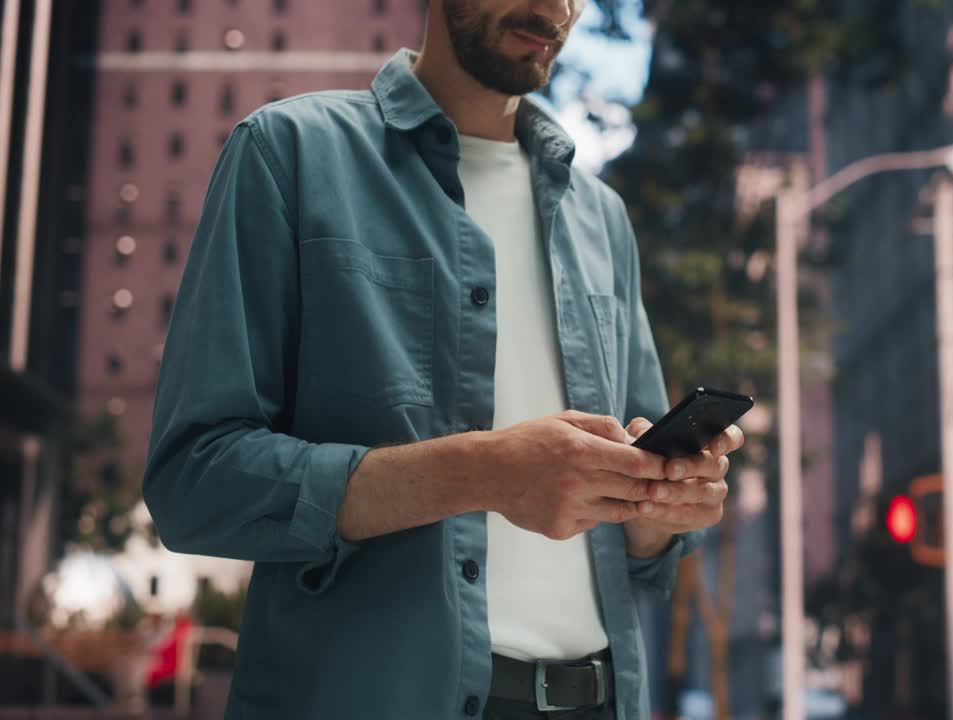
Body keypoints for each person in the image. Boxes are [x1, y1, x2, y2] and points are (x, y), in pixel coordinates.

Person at [142, 1, 745, 718]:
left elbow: (642, 546)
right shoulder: (288, 154)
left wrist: (661, 505)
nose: (555, 7)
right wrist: (482, 473)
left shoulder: (601, 218)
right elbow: (195, 481)